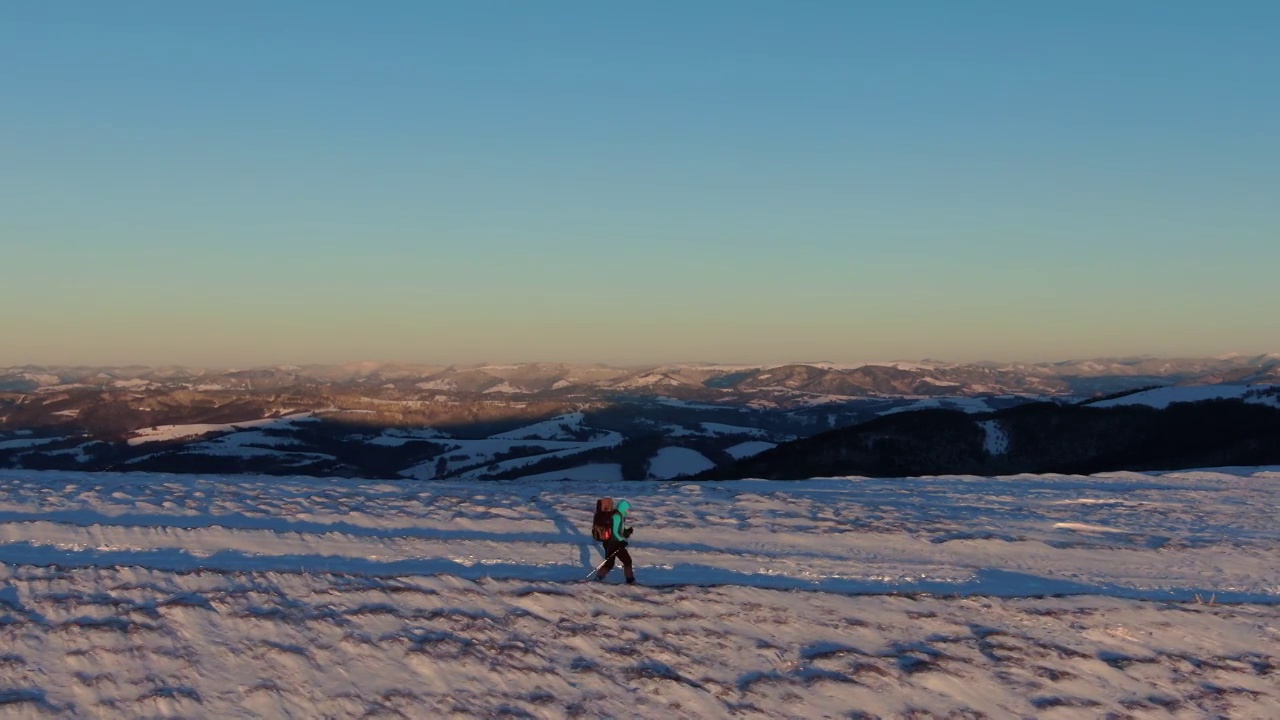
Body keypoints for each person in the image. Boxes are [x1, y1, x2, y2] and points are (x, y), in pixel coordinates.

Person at [596, 499, 635, 584]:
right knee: (627, 561)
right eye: (626, 508)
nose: (627, 510)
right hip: (614, 544)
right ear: (623, 507)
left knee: (609, 564)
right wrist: (621, 541)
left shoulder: (619, 515)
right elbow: (614, 531)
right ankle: (630, 581)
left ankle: (598, 579)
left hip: (610, 543)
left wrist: (627, 532)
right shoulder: (617, 516)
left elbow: (619, 530)